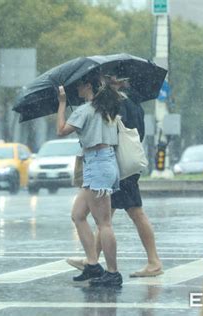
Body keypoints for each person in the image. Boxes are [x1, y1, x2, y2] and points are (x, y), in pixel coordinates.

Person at [66, 77, 163, 277]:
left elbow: (110, 132)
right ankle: (91, 259)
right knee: (107, 216)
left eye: (107, 79)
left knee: (132, 213)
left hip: (118, 165)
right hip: (121, 164)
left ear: (119, 81)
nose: (102, 82)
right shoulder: (131, 102)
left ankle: (153, 261)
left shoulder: (120, 104)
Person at [56, 73, 123, 287]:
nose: (76, 89)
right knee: (78, 215)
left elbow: (60, 131)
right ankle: (93, 265)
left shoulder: (87, 110)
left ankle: (113, 273)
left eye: (79, 85)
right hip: (101, 162)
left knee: (104, 224)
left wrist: (62, 103)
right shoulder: (106, 107)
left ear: (88, 86)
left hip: (98, 164)